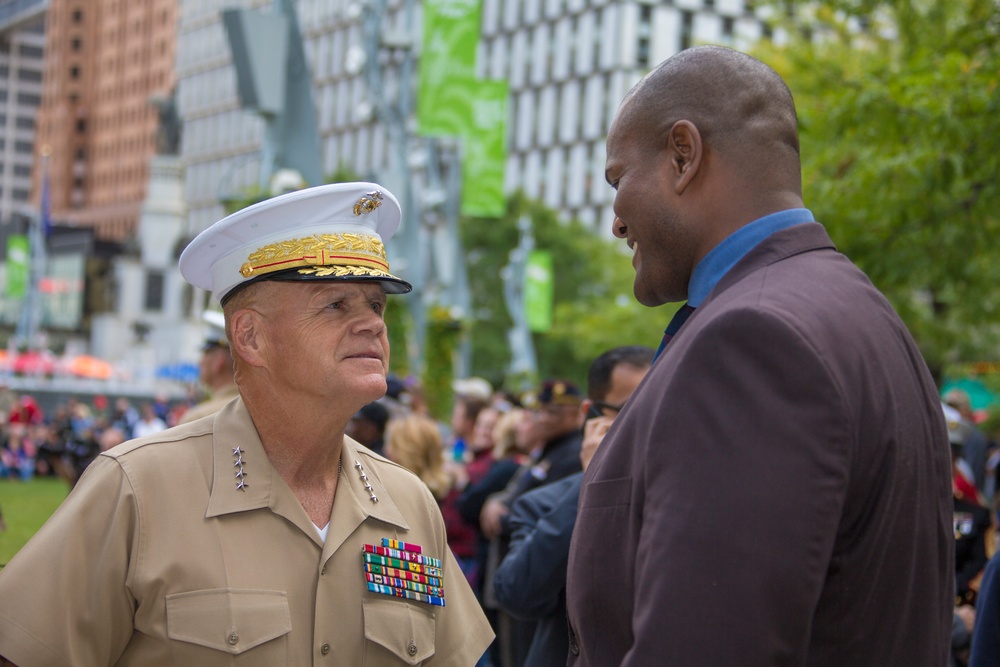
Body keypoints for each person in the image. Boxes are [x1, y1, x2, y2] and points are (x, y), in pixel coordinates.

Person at [565, 46, 953, 666]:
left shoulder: (754, 340)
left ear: (683, 155)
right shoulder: (857, 309)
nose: (616, 219)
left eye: (619, 179)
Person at [0, 182, 493, 666]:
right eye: (336, 305)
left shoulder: (408, 504)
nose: (373, 324)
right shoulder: (138, 490)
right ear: (251, 337)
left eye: (376, 305)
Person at [493, 345, 653, 667]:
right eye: (630, 410)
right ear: (591, 415)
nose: (648, 422)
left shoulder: (679, 495)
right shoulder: (545, 504)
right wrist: (593, 483)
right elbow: (517, 593)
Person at [177, 310, 240, 425]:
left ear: (219, 361)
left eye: (206, 353)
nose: (200, 361)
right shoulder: (256, 412)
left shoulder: (197, 419)